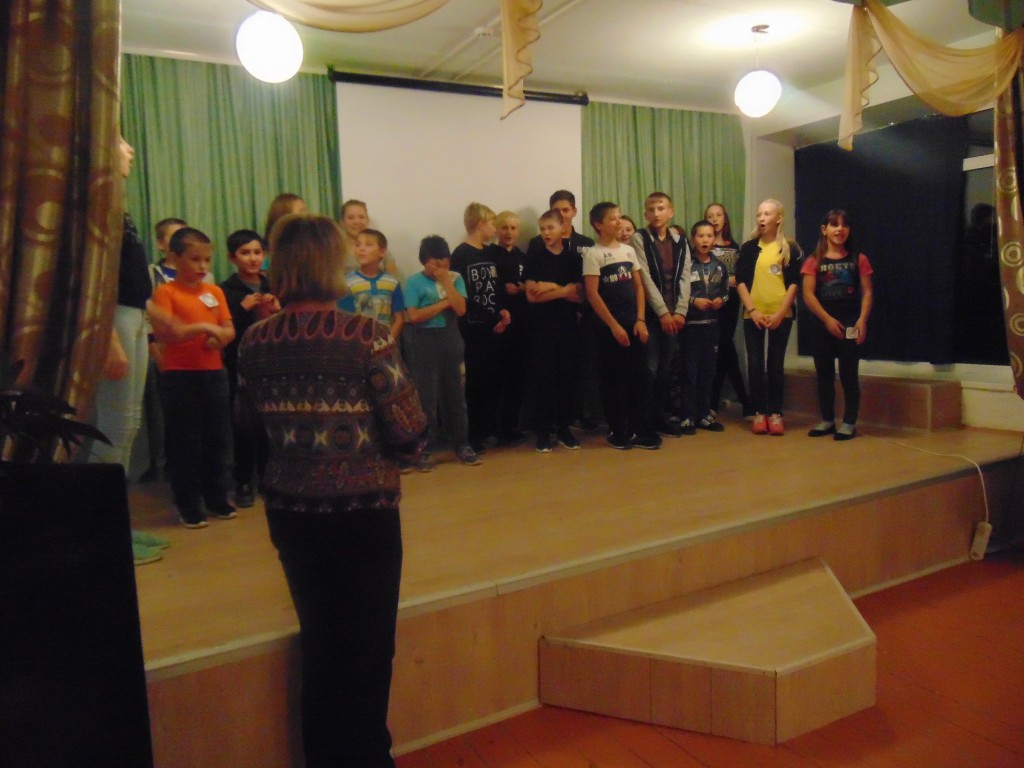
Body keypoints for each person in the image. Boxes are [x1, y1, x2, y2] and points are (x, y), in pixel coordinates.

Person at [236, 213, 427, 768]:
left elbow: (247, 426)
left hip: (291, 512)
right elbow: (410, 433)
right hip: (361, 514)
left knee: (321, 643)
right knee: (367, 649)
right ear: (331, 262)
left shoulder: (255, 341)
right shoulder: (365, 335)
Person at [93, 137, 169, 564]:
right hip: (116, 319)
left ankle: (117, 524)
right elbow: (96, 276)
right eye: (120, 142)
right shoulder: (96, 201)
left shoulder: (118, 203)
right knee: (114, 426)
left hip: (134, 314)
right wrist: (108, 338)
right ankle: (103, 532)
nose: (130, 149)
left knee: (130, 424)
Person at [147, 227, 237, 527]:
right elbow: (167, 333)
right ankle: (188, 503)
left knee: (217, 439)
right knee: (185, 441)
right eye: (195, 259)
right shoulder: (166, 292)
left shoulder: (215, 292)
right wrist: (205, 329)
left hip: (214, 374)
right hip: (179, 376)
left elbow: (228, 328)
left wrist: (220, 337)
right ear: (175, 258)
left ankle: (216, 498)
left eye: (207, 260)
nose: (202, 266)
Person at [583, 202, 660, 451]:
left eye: (619, 217)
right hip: (608, 328)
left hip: (633, 323)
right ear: (598, 225)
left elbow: (638, 287)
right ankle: (617, 430)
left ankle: (639, 428)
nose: (618, 222)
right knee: (612, 379)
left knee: (639, 377)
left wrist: (640, 319)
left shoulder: (628, 251)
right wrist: (614, 326)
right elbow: (593, 294)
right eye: (613, 218)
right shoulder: (593, 254)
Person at [405, 235, 481, 468]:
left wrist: (447, 282)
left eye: (444, 262)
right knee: (427, 398)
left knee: (456, 395)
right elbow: (414, 316)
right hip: (424, 340)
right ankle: (426, 447)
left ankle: (462, 444)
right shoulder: (413, 282)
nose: (439, 267)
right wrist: (444, 303)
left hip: (451, 338)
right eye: (434, 263)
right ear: (424, 261)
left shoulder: (455, 278)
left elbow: (460, 309)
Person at [801, 209, 874, 441]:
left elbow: (867, 292)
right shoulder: (814, 260)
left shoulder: (858, 259)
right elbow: (808, 295)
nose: (839, 229)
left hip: (850, 323)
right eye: (834, 225)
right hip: (822, 324)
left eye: (844, 225)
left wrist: (862, 320)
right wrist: (826, 319)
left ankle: (849, 422)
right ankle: (827, 420)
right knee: (824, 374)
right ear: (825, 230)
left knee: (849, 374)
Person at [219, 230, 279, 508]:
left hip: (272, 364)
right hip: (239, 364)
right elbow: (223, 329)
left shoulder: (273, 284)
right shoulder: (225, 290)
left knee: (270, 422)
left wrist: (277, 309)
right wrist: (242, 309)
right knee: (243, 423)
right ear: (232, 257)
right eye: (245, 253)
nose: (253, 258)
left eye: (257, 252)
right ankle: (243, 480)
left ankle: (269, 477)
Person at [735, 199, 802, 436]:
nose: (762, 218)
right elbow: (740, 281)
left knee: (775, 364)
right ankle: (759, 413)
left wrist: (781, 313)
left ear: (778, 218)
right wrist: (752, 310)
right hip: (753, 314)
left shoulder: (790, 248)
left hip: (781, 314)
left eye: (767, 214)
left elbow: (794, 283)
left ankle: (775, 413)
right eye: (759, 214)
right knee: (755, 363)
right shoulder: (749, 248)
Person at [629, 192, 692, 437]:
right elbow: (644, 278)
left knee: (666, 370)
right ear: (645, 214)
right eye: (651, 209)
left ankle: (659, 417)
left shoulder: (680, 240)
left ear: (670, 212)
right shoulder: (639, 238)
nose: (656, 213)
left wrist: (681, 311)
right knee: (649, 369)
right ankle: (643, 423)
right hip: (652, 316)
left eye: (661, 208)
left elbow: (685, 276)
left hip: (674, 315)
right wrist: (664, 312)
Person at [450, 202, 511, 452]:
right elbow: (462, 295)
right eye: (492, 224)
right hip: (472, 330)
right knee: (474, 384)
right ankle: (472, 436)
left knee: (492, 381)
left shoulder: (490, 253)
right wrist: (491, 316)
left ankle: (488, 430)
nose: (495, 229)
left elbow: (496, 288)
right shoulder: (460, 254)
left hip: (494, 328)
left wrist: (502, 311)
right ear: (479, 224)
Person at [524, 208, 584, 452]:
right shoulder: (535, 258)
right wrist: (564, 290)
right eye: (542, 229)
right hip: (542, 328)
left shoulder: (574, 259)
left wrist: (550, 287)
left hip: (568, 327)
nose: (546, 233)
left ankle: (564, 429)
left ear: (562, 228)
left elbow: (579, 295)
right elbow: (532, 297)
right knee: (544, 380)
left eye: (550, 228)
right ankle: (543, 432)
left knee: (566, 378)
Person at [138, 217, 187, 484]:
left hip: (192, 354)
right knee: (160, 410)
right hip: (162, 350)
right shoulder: (150, 274)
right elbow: (145, 314)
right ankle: (161, 464)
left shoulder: (204, 275)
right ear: (160, 244)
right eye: (173, 236)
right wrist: (153, 348)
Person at [680, 220, 730, 434]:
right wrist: (693, 301)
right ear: (693, 239)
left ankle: (703, 415)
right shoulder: (686, 264)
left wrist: (721, 300)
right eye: (701, 236)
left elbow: (726, 292)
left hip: (712, 327)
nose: (705, 240)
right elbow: (678, 293)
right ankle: (687, 416)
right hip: (691, 326)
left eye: (709, 236)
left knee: (708, 372)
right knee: (689, 372)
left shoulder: (719, 265)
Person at [705, 202, 753, 419]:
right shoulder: (704, 245)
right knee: (725, 349)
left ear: (725, 219)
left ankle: (713, 403)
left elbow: (742, 276)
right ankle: (745, 402)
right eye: (710, 215)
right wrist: (726, 281)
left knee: (723, 349)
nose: (714, 219)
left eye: (718, 215)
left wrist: (734, 281)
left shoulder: (735, 246)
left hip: (732, 303)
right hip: (712, 303)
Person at [490, 210, 528, 445]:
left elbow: (530, 283)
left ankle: (511, 425)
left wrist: (523, 288)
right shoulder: (490, 255)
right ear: (496, 229)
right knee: (498, 377)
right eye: (504, 227)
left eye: (513, 228)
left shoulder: (523, 257)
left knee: (517, 377)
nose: (509, 232)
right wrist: (503, 288)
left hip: (521, 324)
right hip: (498, 324)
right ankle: (494, 427)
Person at [339, 228, 406, 340]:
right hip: (357, 343)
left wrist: (386, 342)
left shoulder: (392, 283)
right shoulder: (347, 283)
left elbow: (399, 319)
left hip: (386, 343)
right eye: (358, 245)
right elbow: (346, 320)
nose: (361, 249)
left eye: (368, 244)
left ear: (382, 252)